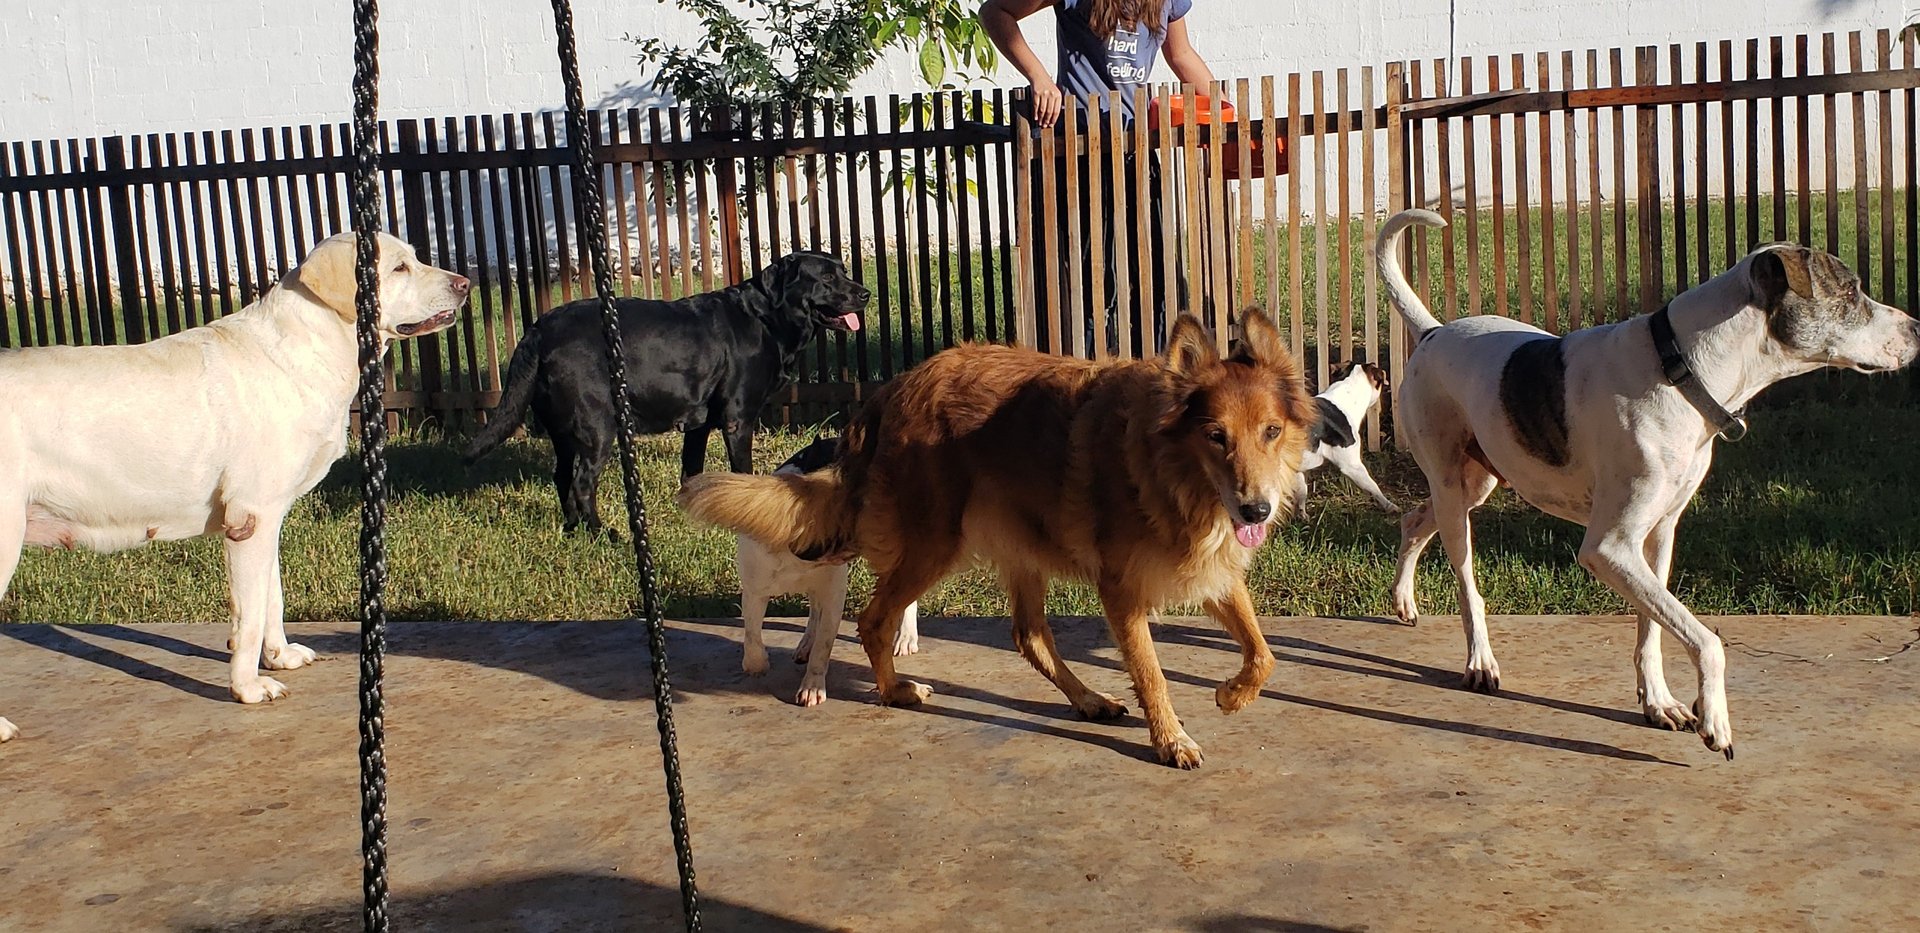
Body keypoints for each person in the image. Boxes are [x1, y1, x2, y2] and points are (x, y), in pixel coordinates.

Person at [982, 0, 1220, 355]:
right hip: (1081, 149)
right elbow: (995, 12)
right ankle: (1090, 377)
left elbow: (1181, 54)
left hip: (1135, 146)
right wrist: (1039, 77)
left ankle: (1153, 373)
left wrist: (1224, 109)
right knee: (1096, 282)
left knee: (1153, 276)